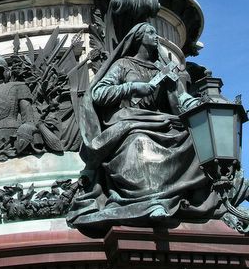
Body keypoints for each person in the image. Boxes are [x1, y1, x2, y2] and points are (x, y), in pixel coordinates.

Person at [67, 22, 243, 230]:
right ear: (139, 38)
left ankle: (193, 199)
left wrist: (196, 105)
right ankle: (150, 200)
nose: (156, 36)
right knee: (139, 142)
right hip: (130, 121)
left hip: (161, 121)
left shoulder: (163, 68)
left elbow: (180, 98)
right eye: (150, 32)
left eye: (155, 32)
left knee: (197, 140)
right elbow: (98, 93)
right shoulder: (123, 64)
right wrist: (132, 88)